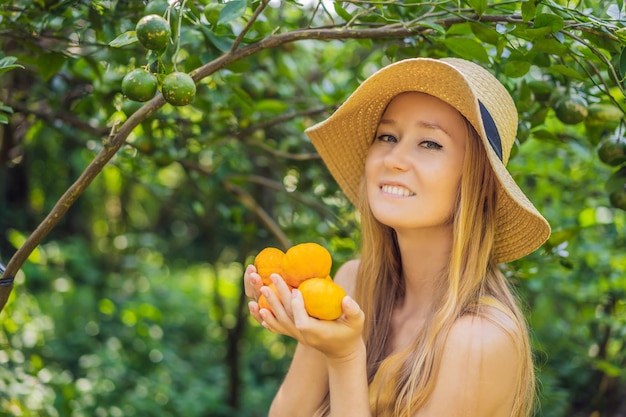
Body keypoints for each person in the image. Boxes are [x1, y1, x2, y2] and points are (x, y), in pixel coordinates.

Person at [243, 57, 551, 417]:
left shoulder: (478, 340)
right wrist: (313, 332)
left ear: (477, 183)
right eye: (387, 137)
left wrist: (344, 356)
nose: (394, 159)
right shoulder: (352, 283)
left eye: (430, 143)